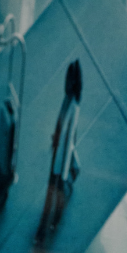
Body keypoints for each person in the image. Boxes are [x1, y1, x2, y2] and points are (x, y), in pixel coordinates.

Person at [40, 59, 82, 238]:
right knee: (54, 191)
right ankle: (50, 222)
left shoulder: (74, 107)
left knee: (56, 191)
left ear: (72, 83)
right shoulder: (67, 100)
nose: (64, 82)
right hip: (57, 156)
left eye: (67, 79)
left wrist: (64, 171)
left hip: (61, 160)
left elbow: (70, 138)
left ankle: (50, 224)